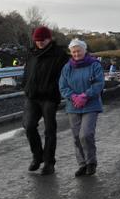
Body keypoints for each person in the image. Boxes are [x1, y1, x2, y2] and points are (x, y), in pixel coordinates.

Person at [22, 26, 69, 175]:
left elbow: (66, 75)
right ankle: (37, 156)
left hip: (49, 97)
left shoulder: (59, 55)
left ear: (49, 39)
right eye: (37, 40)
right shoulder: (31, 53)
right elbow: (27, 71)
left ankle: (49, 162)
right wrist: (26, 85)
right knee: (29, 126)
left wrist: (57, 90)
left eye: (43, 40)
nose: (40, 43)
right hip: (32, 96)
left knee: (49, 129)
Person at [59, 39, 104, 177]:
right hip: (73, 106)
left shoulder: (94, 65)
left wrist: (85, 95)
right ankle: (82, 164)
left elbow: (99, 83)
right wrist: (73, 97)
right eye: (74, 52)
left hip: (90, 105)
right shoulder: (67, 67)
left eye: (79, 51)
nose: (76, 54)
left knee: (86, 134)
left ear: (85, 51)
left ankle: (91, 162)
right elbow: (62, 86)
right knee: (77, 137)